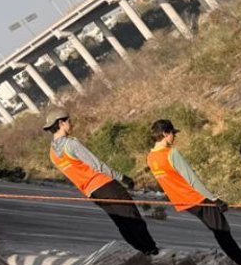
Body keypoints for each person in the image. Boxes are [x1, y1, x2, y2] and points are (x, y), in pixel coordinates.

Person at [44, 108, 158, 256]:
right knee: (132, 217)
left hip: (92, 193)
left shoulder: (52, 154)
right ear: (61, 123)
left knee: (121, 222)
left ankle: (143, 252)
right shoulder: (71, 144)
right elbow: (97, 165)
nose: (72, 124)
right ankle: (152, 250)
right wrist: (123, 178)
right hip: (106, 185)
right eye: (69, 121)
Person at [147, 119, 241, 265]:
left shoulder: (150, 157)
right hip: (197, 198)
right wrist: (214, 199)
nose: (174, 137)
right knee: (222, 231)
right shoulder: (171, 153)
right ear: (165, 133)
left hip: (183, 202)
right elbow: (192, 179)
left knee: (217, 230)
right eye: (172, 134)